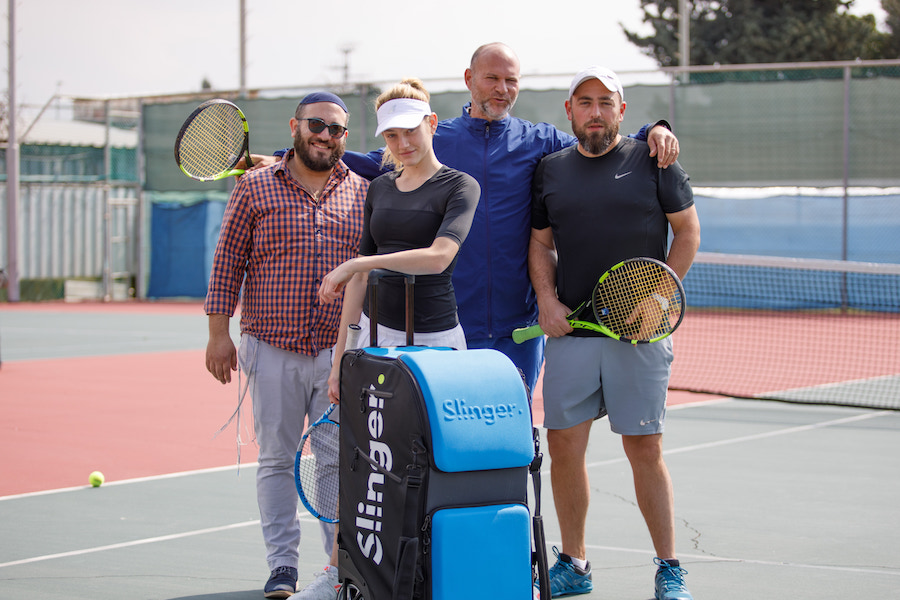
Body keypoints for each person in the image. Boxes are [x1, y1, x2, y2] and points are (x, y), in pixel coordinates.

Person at [252, 42, 680, 393]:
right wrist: (276, 159)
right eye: (492, 78)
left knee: (512, 440)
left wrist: (651, 131)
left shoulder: (541, 140)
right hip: (451, 328)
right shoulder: (434, 139)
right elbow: (360, 162)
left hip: (518, 330)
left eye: (510, 80)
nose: (501, 88)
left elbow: (598, 140)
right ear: (469, 80)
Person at [290, 78, 479, 600]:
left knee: (439, 464)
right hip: (376, 340)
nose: (401, 144)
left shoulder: (460, 187)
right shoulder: (379, 189)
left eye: (410, 131)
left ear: (432, 124)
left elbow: (440, 256)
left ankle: (443, 575)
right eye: (391, 136)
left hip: (438, 345)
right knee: (365, 462)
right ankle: (339, 573)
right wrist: (341, 357)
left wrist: (362, 260)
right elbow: (360, 281)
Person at [528, 67, 700, 599]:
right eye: (585, 101)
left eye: (606, 101)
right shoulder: (551, 169)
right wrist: (548, 301)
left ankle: (669, 567)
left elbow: (688, 229)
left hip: (639, 334)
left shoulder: (654, 159)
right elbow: (540, 244)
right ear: (570, 110)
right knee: (564, 449)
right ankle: (574, 564)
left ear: (622, 111)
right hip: (572, 336)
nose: (595, 111)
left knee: (644, 448)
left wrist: (657, 296)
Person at [203, 92, 369, 599]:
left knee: (335, 462)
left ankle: (337, 566)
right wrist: (217, 334)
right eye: (316, 125)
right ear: (295, 127)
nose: (325, 135)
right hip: (270, 345)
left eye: (337, 129)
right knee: (275, 458)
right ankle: (281, 567)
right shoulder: (253, 187)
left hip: (336, 355)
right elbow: (228, 261)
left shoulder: (363, 192)